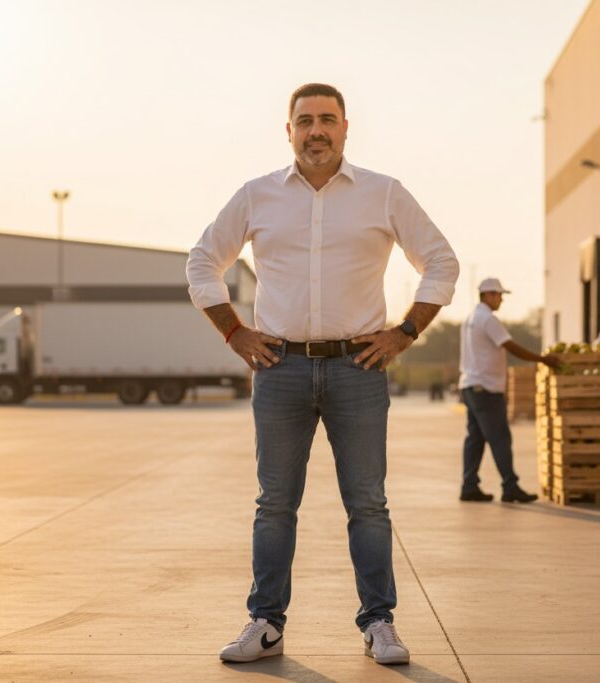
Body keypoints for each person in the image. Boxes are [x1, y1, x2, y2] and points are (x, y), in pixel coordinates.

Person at [186, 83, 459, 666]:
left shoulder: (384, 194)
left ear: (345, 128)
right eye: (304, 120)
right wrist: (234, 332)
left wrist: (405, 332)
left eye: (327, 120)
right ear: (288, 130)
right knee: (275, 503)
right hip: (278, 367)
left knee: (367, 503)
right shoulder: (257, 196)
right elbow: (202, 260)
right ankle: (266, 623)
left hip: (357, 368)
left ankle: (378, 622)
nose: (316, 130)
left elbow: (441, 261)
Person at [458, 277, 560, 503]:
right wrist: (543, 359)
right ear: (488, 295)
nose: (501, 300)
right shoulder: (488, 319)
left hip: (470, 385)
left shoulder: (470, 318)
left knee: (475, 439)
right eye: (499, 295)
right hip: (486, 388)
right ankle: (510, 486)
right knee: (500, 438)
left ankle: (469, 485)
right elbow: (510, 346)